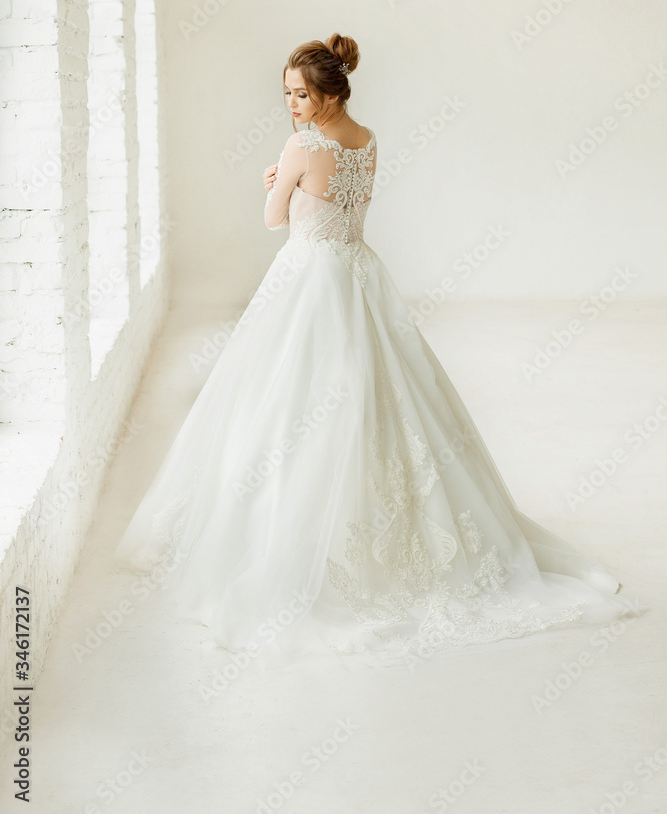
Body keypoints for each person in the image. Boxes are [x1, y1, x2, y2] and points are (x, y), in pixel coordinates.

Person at [114, 33, 636, 667]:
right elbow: (347, 207)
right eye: (286, 95)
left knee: (290, 400)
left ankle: (299, 541)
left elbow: (275, 220)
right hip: (359, 274)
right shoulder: (367, 139)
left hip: (308, 281)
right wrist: (294, 184)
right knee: (376, 395)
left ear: (330, 92)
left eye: (301, 94)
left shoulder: (303, 145)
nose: (291, 105)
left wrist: (276, 180)